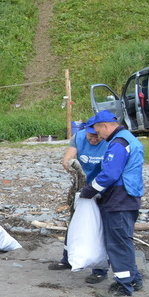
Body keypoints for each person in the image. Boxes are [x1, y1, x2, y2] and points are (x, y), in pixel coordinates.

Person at [79, 110, 145, 297]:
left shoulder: (118, 144)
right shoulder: (127, 139)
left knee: (117, 243)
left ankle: (123, 284)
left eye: (98, 130)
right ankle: (134, 279)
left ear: (105, 126)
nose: (97, 135)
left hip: (119, 198)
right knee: (124, 240)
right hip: (129, 196)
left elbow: (110, 174)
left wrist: (89, 191)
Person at [48, 117, 110, 282]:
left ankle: (99, 269)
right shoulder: (79, 137)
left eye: (96, 136)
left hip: (103, 188)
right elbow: (68, 156)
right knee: (74, 223)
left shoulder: (108, 140)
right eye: (91, 136)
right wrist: (70, 164)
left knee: (99, 227)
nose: (94, 139)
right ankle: (68, 259)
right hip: (82, 188)